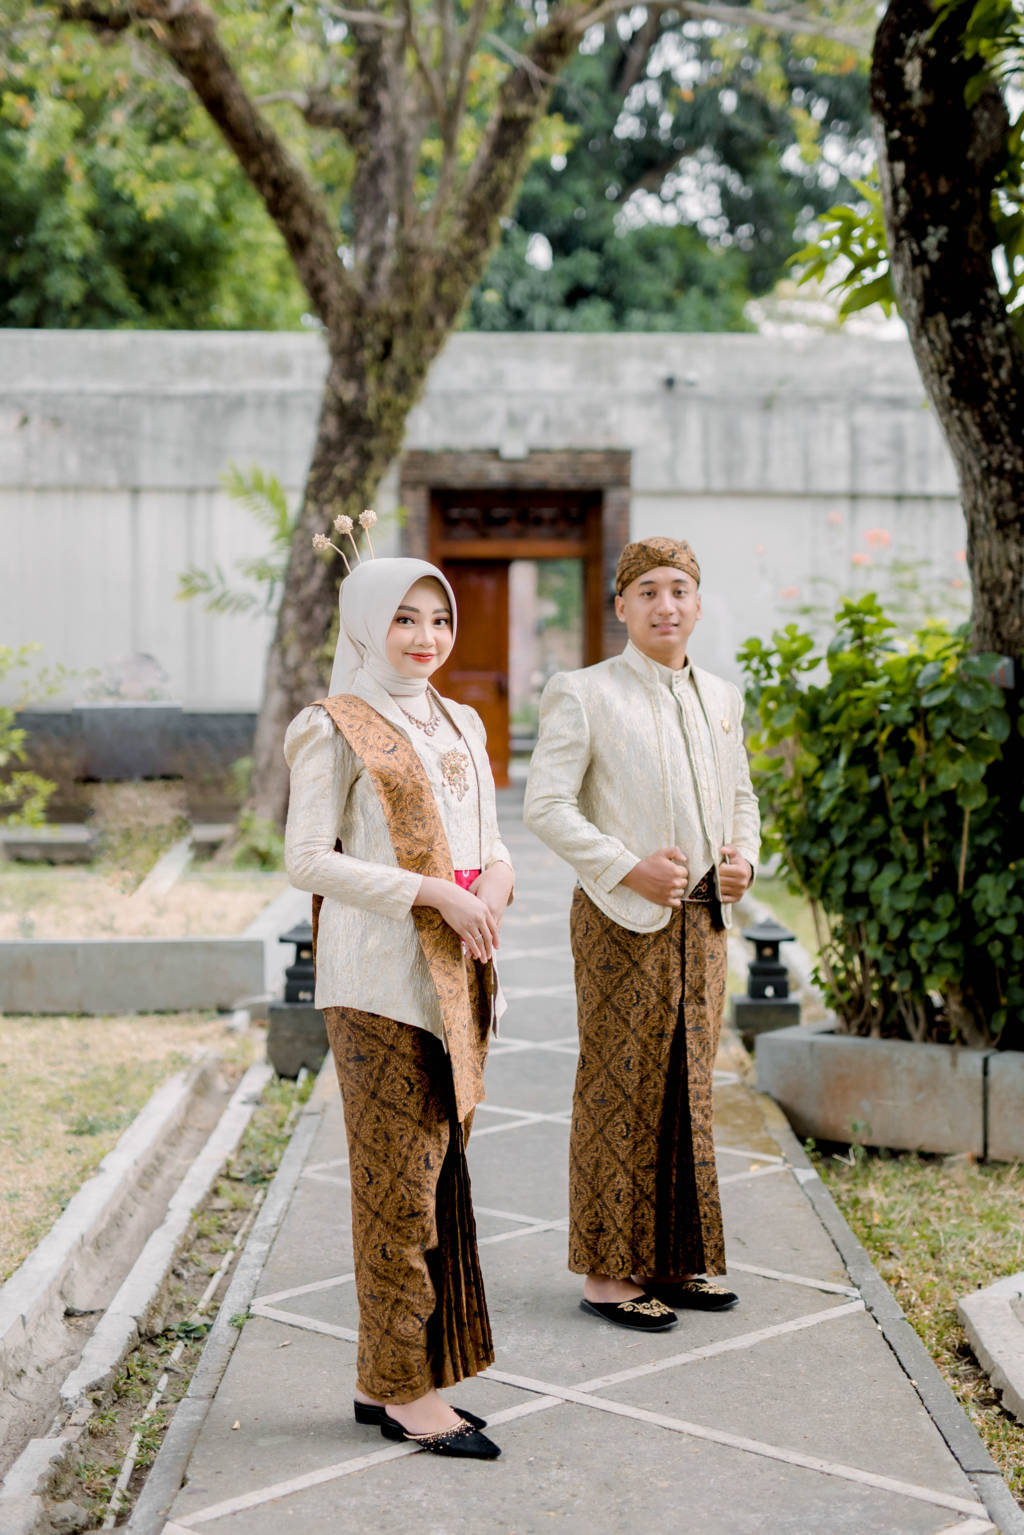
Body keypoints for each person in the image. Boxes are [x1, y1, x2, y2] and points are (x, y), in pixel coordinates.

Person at [284, 553, 514, 1459]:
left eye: (440, 618)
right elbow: (307, 859)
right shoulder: (332, 724)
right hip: (377, 982)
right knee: (399, 1190)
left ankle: (383, 1374)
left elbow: (491, 841)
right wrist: (432, 893)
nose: (426, 637)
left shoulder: (462, 719)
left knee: (435, 1176)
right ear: (364, 622)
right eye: (405, 618)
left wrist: (492, 884)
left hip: (456, 978)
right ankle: (408, 1394)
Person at [524, 536, 760, 1333]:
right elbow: (547, 805)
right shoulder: (584, 691)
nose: (666, 605)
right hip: (621, 919)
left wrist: (743, 860)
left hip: (704, 921)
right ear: (621, 604)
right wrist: (629, 868)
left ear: (698, 603)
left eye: (680, 590)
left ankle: (670, 1259)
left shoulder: (721, 696)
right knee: (618, 1090)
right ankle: (606, 1273)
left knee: (689, 1088)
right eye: (649, 590)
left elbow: (741, 796)